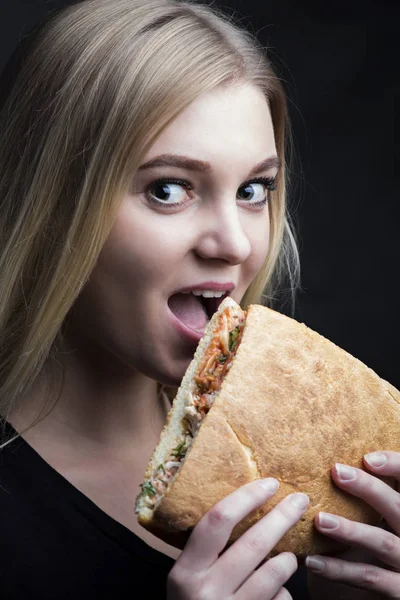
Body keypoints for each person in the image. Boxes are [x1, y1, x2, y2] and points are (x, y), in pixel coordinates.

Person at [0, 1, 399, 598]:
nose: (235, 244)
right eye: (168, 189)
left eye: (252, 190)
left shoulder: (309, 482)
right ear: (54, 204)